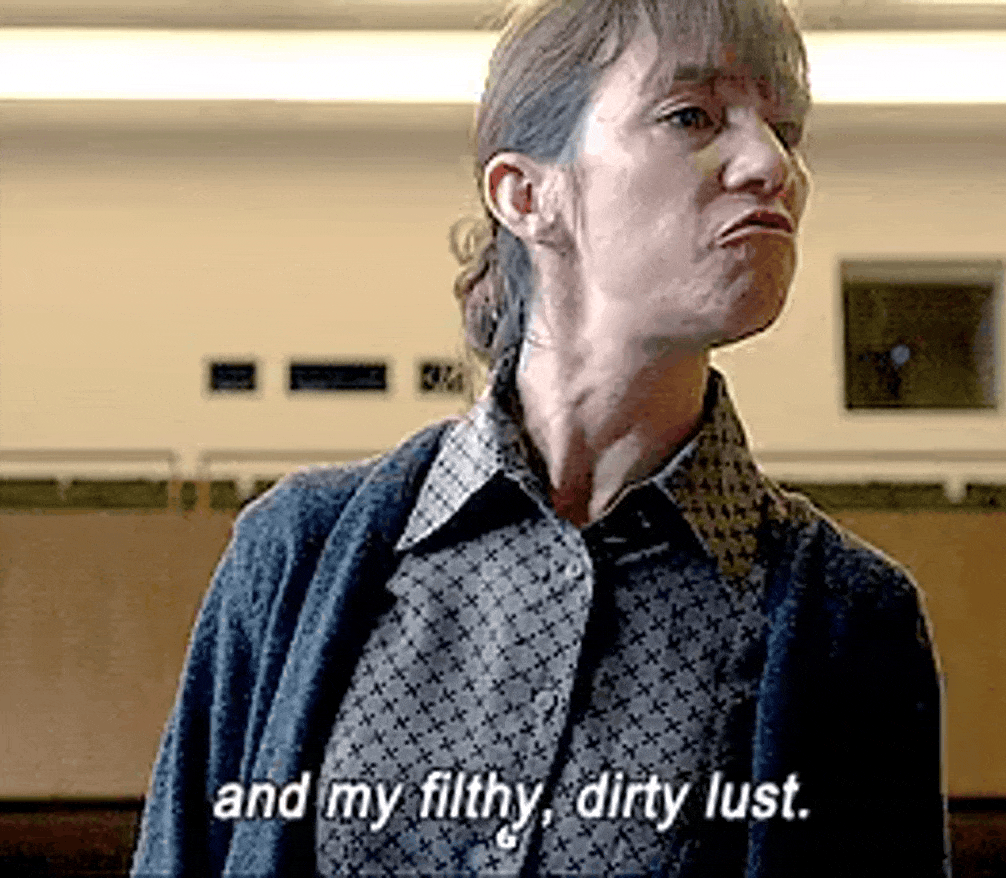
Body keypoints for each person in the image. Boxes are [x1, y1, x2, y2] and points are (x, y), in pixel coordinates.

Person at [132, 0, 950, 875]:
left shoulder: (850, 618)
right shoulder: (295, 556)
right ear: (528, 194)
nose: (771, 165)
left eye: (786, 132)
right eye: (692, 116)